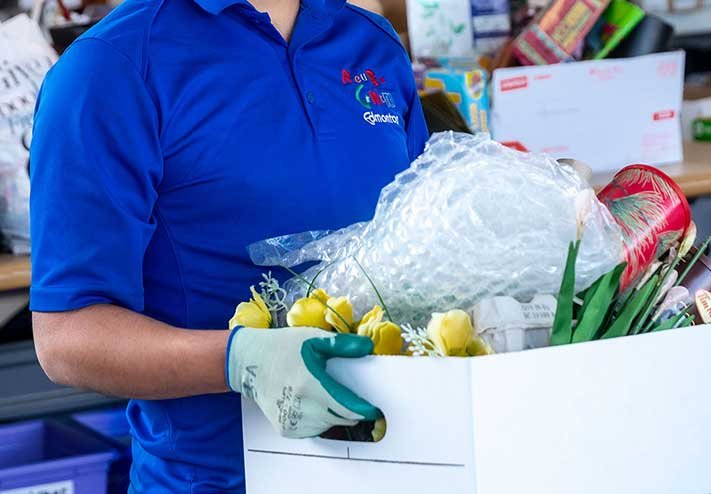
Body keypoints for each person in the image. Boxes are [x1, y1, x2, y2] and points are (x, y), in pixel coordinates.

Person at [28, 0, 428, 488]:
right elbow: (66, 338)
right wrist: (240, 360)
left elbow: (419, 246)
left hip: (398, 465)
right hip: (217, 481)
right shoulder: (110, 68)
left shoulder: (372, 43)